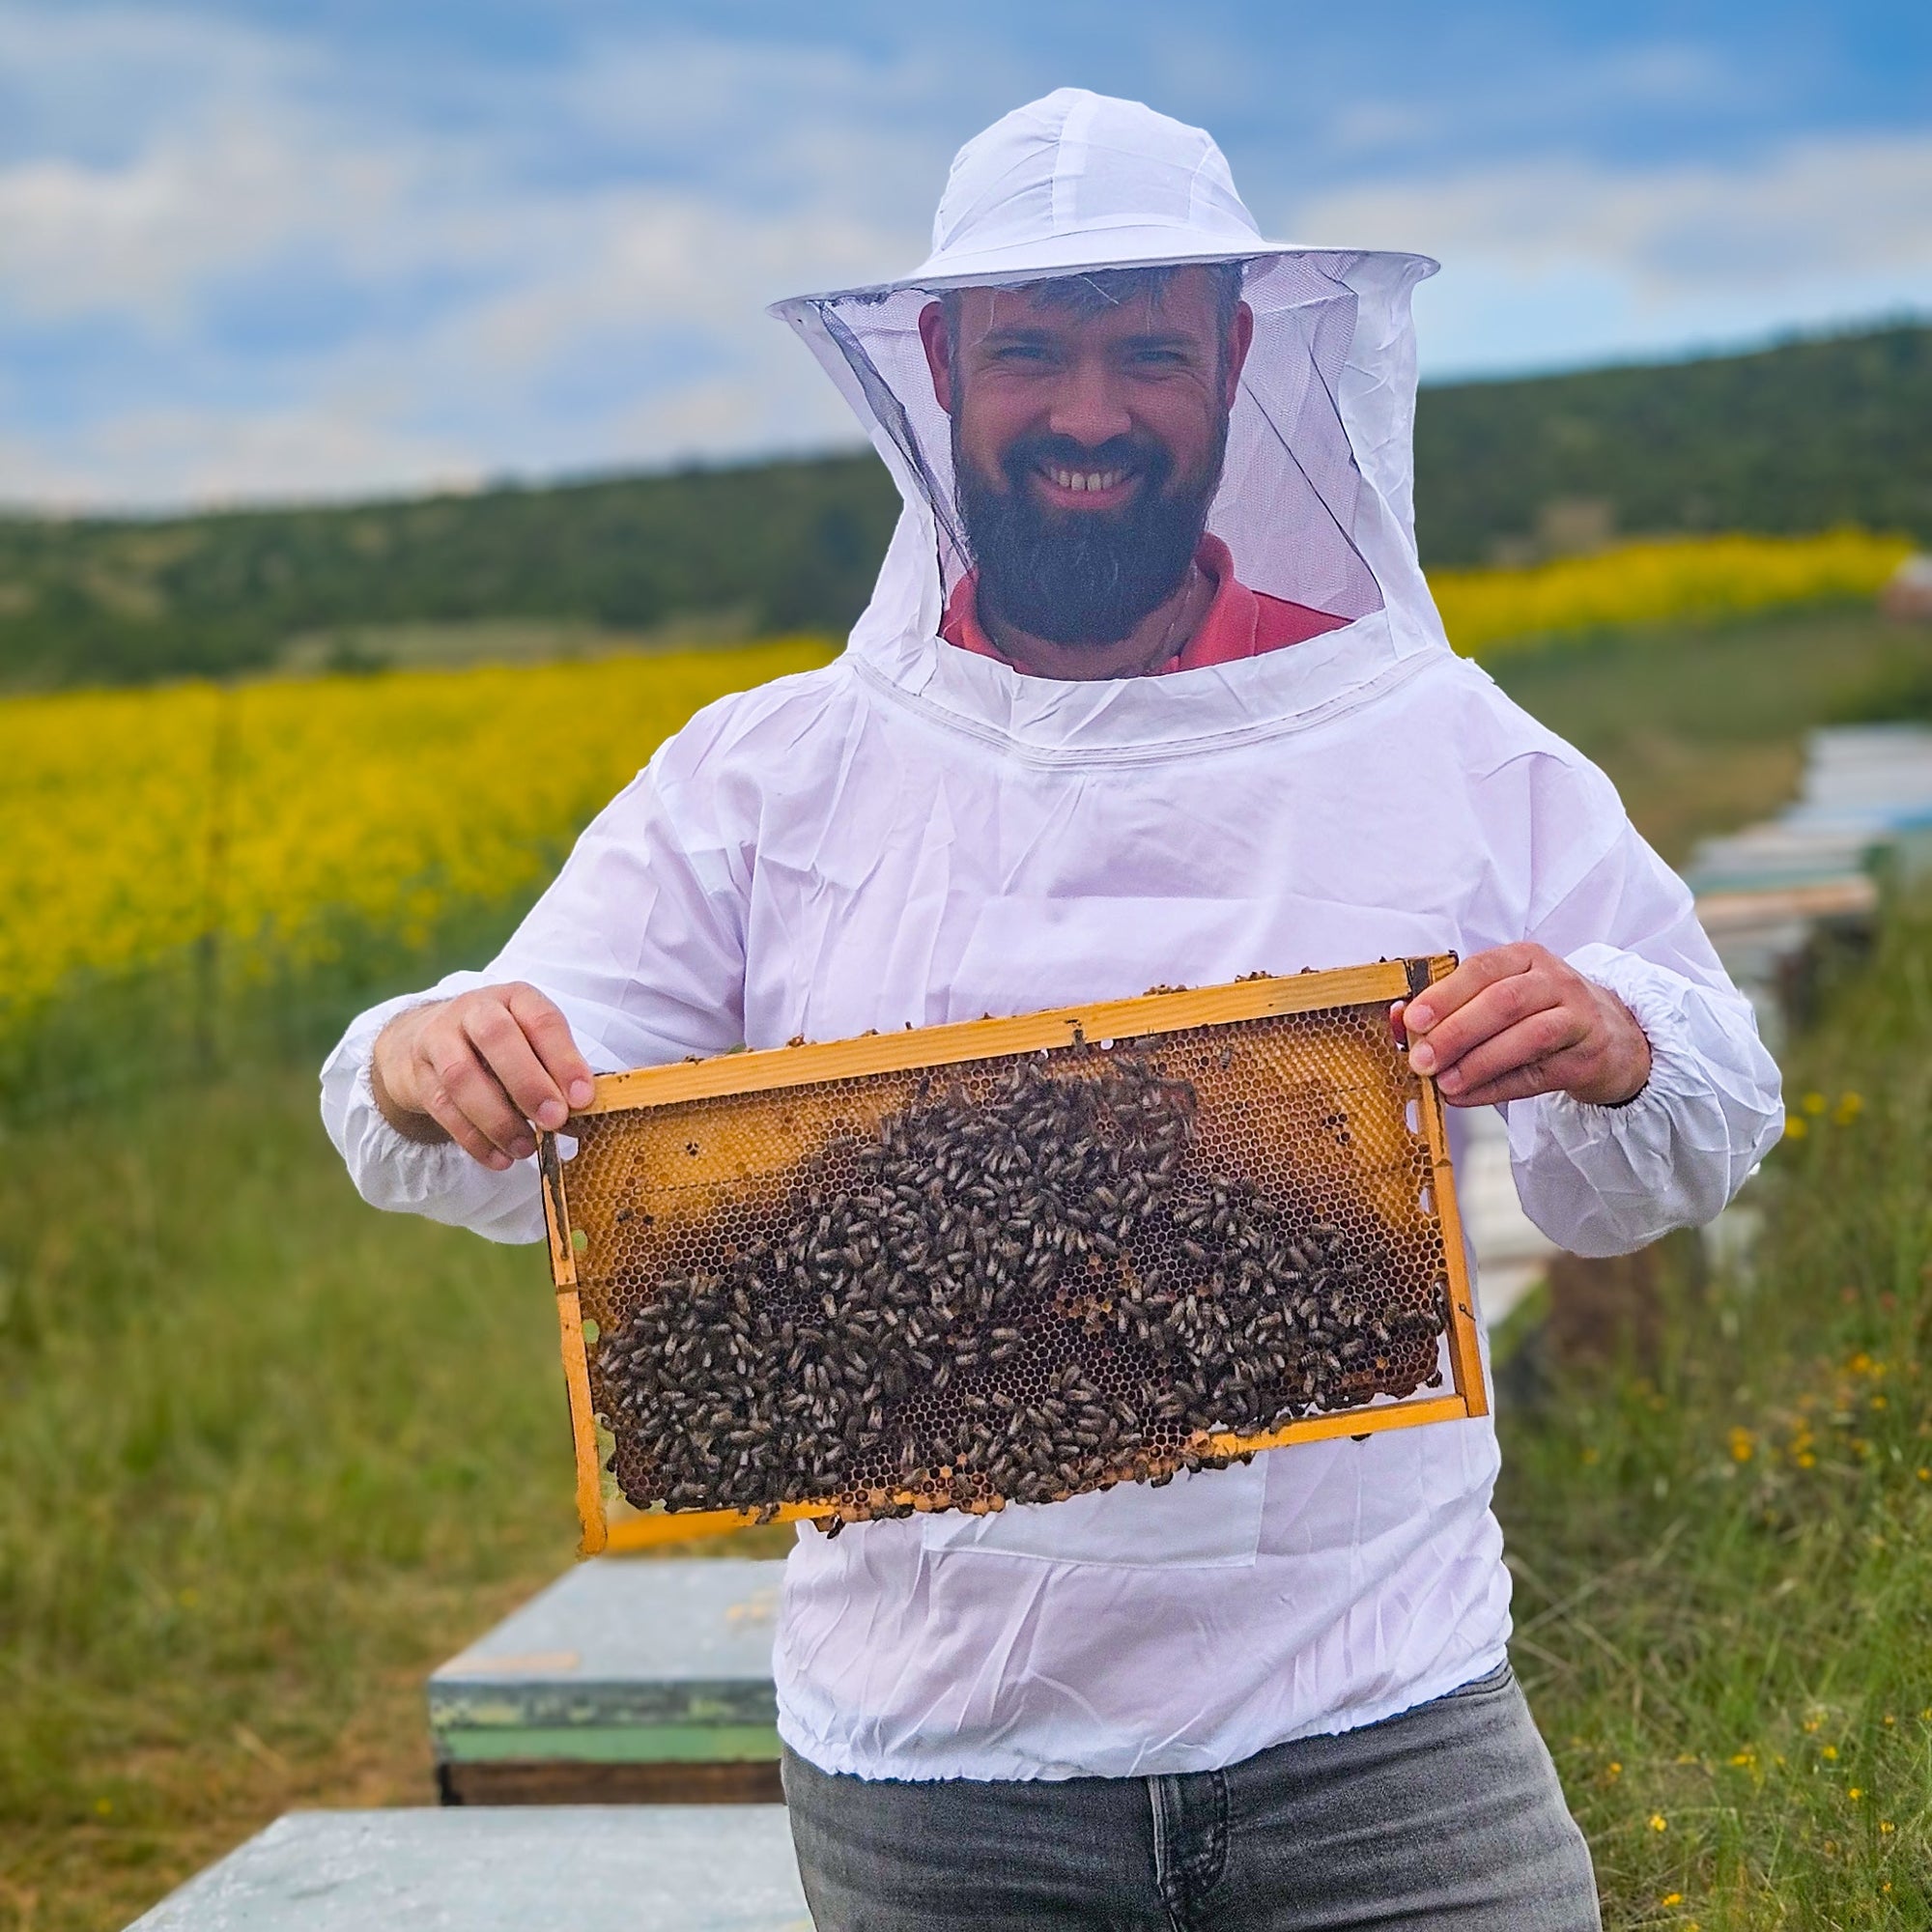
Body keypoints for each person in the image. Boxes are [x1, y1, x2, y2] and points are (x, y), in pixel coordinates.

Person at [323, 90, 1781, 1930]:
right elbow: (446, 1106)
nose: (1089, 410)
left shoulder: (1436, 741)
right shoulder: (768, 776)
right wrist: (426, 1050)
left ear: (1238, 364)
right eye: (1032, 350)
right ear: (936, 366)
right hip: (943, 1782)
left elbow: (1712, 1096)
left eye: (1146, 353)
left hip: (1385, 1736)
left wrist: (1622, 1039)